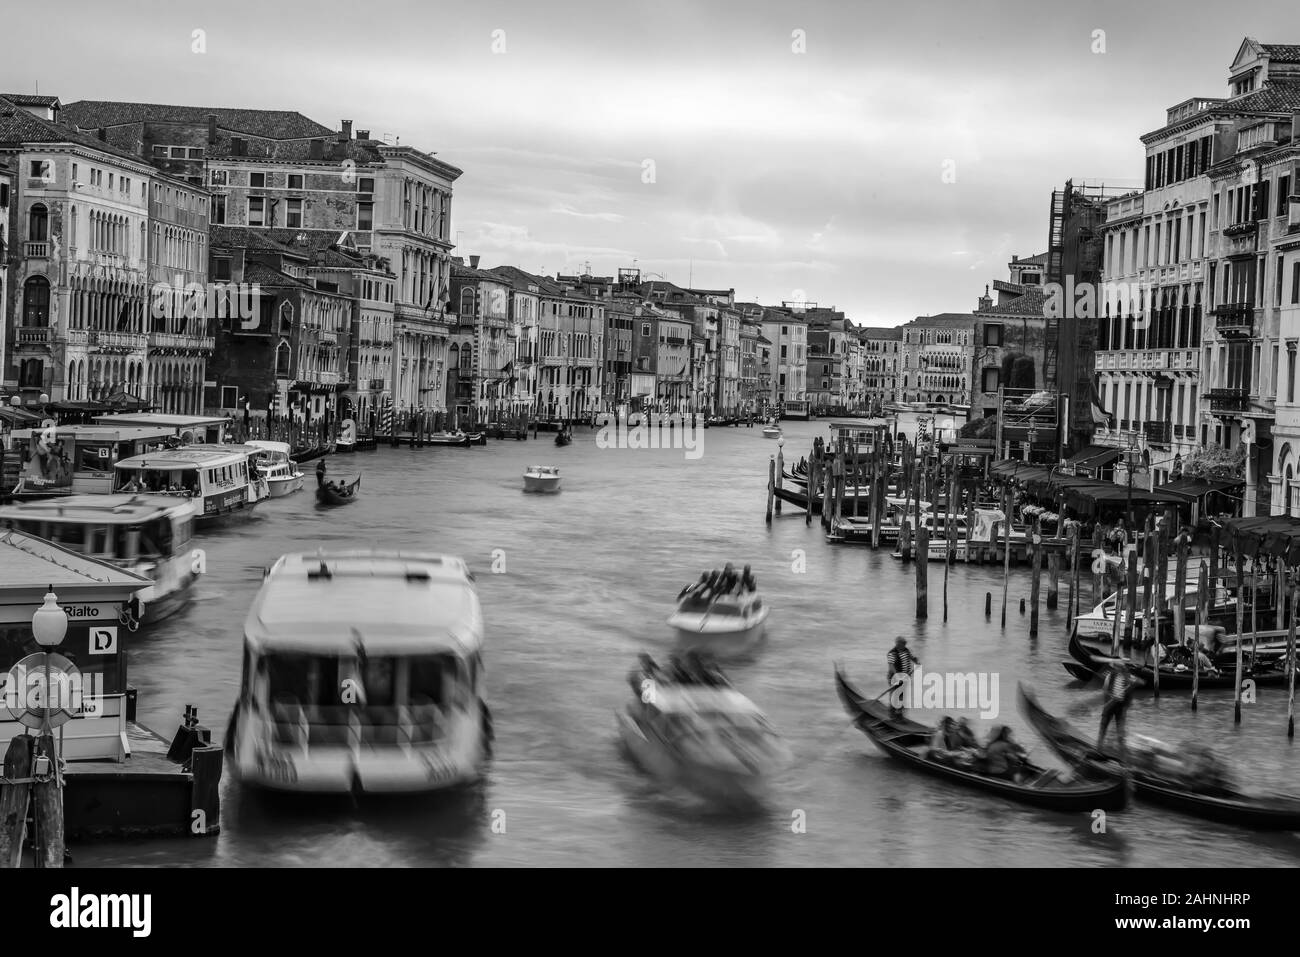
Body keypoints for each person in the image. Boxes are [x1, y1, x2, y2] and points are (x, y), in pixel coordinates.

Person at [1098, 659, 1135, 758]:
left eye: (1118, 667)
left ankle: (1122, 756)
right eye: (1116, 667)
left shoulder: (1128, 679)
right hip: (1110, 706)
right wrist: (1106, 704)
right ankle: (1099, 751)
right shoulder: (1110, 676)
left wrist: (1125, 709)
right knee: (1103, 728)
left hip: (1120, 707)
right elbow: (1105, 690)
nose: (1117, 669)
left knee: (1120, 733)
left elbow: (1129, 696)